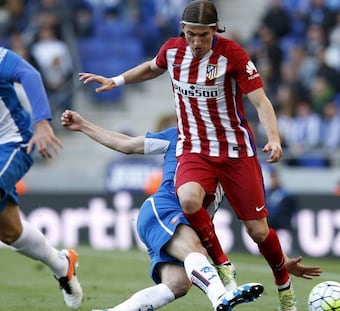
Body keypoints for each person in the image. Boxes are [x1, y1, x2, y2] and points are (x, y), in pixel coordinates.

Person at [78, 1, 298, 310]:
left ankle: (285, 289)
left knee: (258, 231)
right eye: (190, 35)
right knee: (190, 199)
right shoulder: (172, 51)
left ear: (214, 30)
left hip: (235, 152)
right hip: (194, 148)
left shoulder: (233, 55)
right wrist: (117, 81)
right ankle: (222, 267)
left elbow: (261, 102)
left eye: (202, 36)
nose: (196, 42)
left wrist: (274, 139)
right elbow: (151, 68)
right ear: (183, 30)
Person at [61, 109, 323, 311]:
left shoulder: (237, 161)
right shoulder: (180, 136)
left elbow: (255, 224)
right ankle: (221, 296)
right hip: (163, 209)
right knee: (195, 251)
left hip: (180, 222)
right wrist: (84, 125)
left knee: (177, 285)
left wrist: (281, 258)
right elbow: (127, 145)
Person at [0, 47, 82, 309]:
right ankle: (61, 264)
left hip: (13, 141)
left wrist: (42, 122)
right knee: (10, 232)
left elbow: (29, 73)